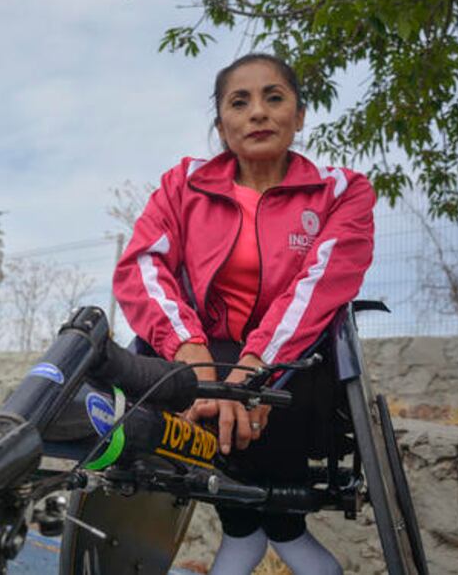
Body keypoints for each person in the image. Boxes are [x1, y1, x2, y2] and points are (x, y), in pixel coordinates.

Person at [112, 53, 375, 574]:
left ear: (299, 116)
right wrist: (191, 358)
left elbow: (320, 286)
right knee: (189, 390)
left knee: (275, 386)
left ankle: (274, 531)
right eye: (240, 102)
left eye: (274, 98)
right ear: (221, 126)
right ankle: (246, 532)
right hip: (204, 351)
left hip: (298, 361)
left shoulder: (342, 190)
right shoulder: (183, 184)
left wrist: (254, 372)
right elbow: (142, 266)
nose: (258, 112)